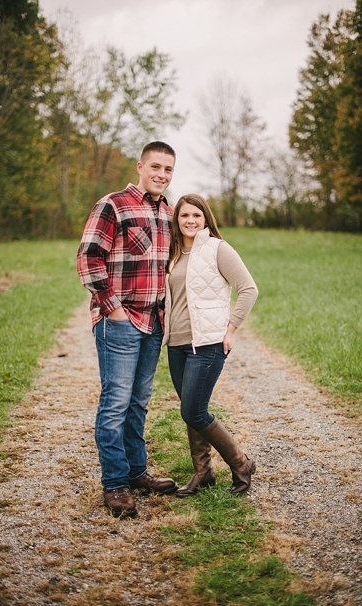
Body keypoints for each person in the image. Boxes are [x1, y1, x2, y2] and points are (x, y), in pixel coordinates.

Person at [77, 141, 179, 518]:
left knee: (138, 403)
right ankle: (115, 483)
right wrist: (113, 310)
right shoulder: (114, 204)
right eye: (155, 167)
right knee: (115, 404)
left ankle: (137, 473)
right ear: (140, 166)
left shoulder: (168, 211)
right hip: (120, 322)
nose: (162, 175)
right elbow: (88, 257)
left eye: (168, 170)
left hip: (153, 322)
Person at [164, 194, 258, 497]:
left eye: (197, 215)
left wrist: (231, 329)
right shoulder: (173, 253)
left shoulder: (218, 248)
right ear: (176, 220)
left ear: (206, 219)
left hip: (207, 343)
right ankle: (203, 472)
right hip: (176, 344)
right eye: (184, 216)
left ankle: (241, 464)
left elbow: (248, 289)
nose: (190, 221)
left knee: (193, 411)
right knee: (191, 410)